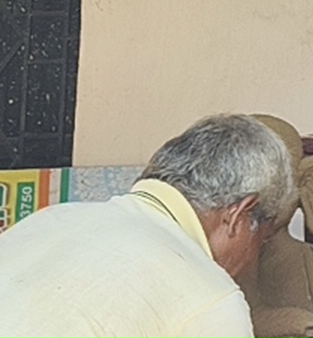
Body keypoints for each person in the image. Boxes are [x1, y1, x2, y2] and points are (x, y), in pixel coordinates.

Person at [0, 113, 297, 338]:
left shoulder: (53, 218)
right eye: (262, 242)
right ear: (239, 216)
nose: (252, 262)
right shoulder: (210, 298)